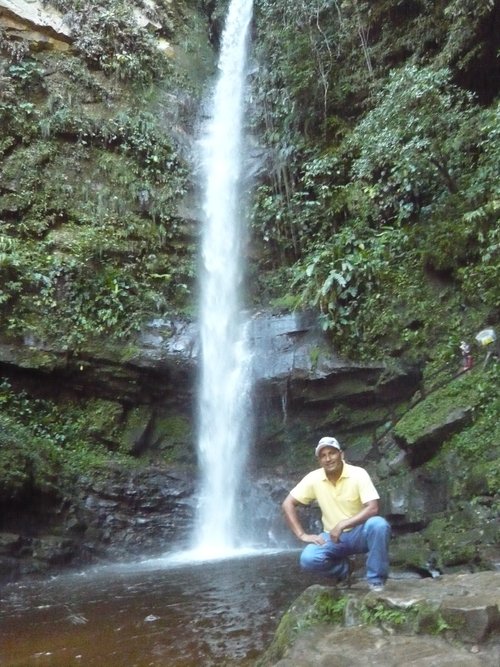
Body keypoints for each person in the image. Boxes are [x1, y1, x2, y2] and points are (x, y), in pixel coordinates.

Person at [282, 436, 390, 591]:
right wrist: (302, 535)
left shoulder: (358, 474)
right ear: (319, 460)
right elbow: (287, 504)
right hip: (332, 537)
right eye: (323, 455)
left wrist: (343, 524)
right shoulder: (314, 478)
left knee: (379, 525)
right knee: (308, 559)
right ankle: (345, 569)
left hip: (361, 532)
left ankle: (376, 580)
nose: (328, 458)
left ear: (341, 454)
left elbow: (372, 508)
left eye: (332, 453)